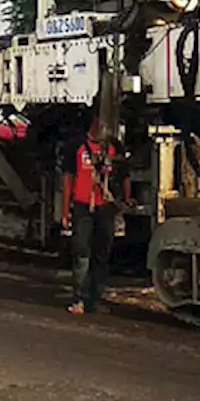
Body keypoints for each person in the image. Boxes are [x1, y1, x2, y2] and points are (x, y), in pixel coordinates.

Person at [60, 115, 131, 315]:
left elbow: (124, 174)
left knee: (101, 254)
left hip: (105, 207)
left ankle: (94, 298)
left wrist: (126, 199)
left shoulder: (114, 147)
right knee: (82, 251)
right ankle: (79, 298)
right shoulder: (76, 146)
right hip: (83, 206)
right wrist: (65, 212)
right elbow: (68, 180)